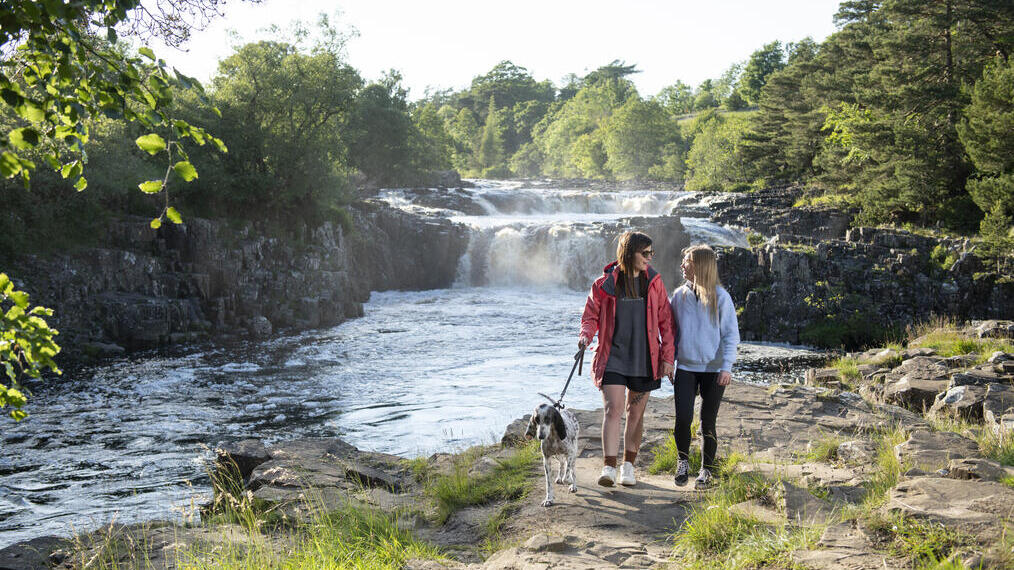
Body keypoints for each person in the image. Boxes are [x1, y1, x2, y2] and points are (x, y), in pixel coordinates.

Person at [579, 231, 675, 487]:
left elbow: (666, 322)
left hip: (645, 358)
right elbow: (590, 317)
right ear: (628, 253)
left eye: (651, 253)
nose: (649, 258)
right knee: (613, 409)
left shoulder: (654, 282)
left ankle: (628, 467)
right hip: (612, 356)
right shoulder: (604, 284)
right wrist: (585, 336)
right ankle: (609, 467)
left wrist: (668, 358)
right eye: (644, 253)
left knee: (635, 414)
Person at [669, 244, 740, 489]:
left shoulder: (721, 297)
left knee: (707, 421)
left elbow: (731, 335)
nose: (682, 265)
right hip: (686, 367)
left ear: (699, 265)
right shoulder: (679, 295)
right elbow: (669, 331)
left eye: (686, 261)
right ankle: (683, 462)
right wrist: (668, 361)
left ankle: (706, 471)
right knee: (683, 419)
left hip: (714, 369)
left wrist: (727, 367)